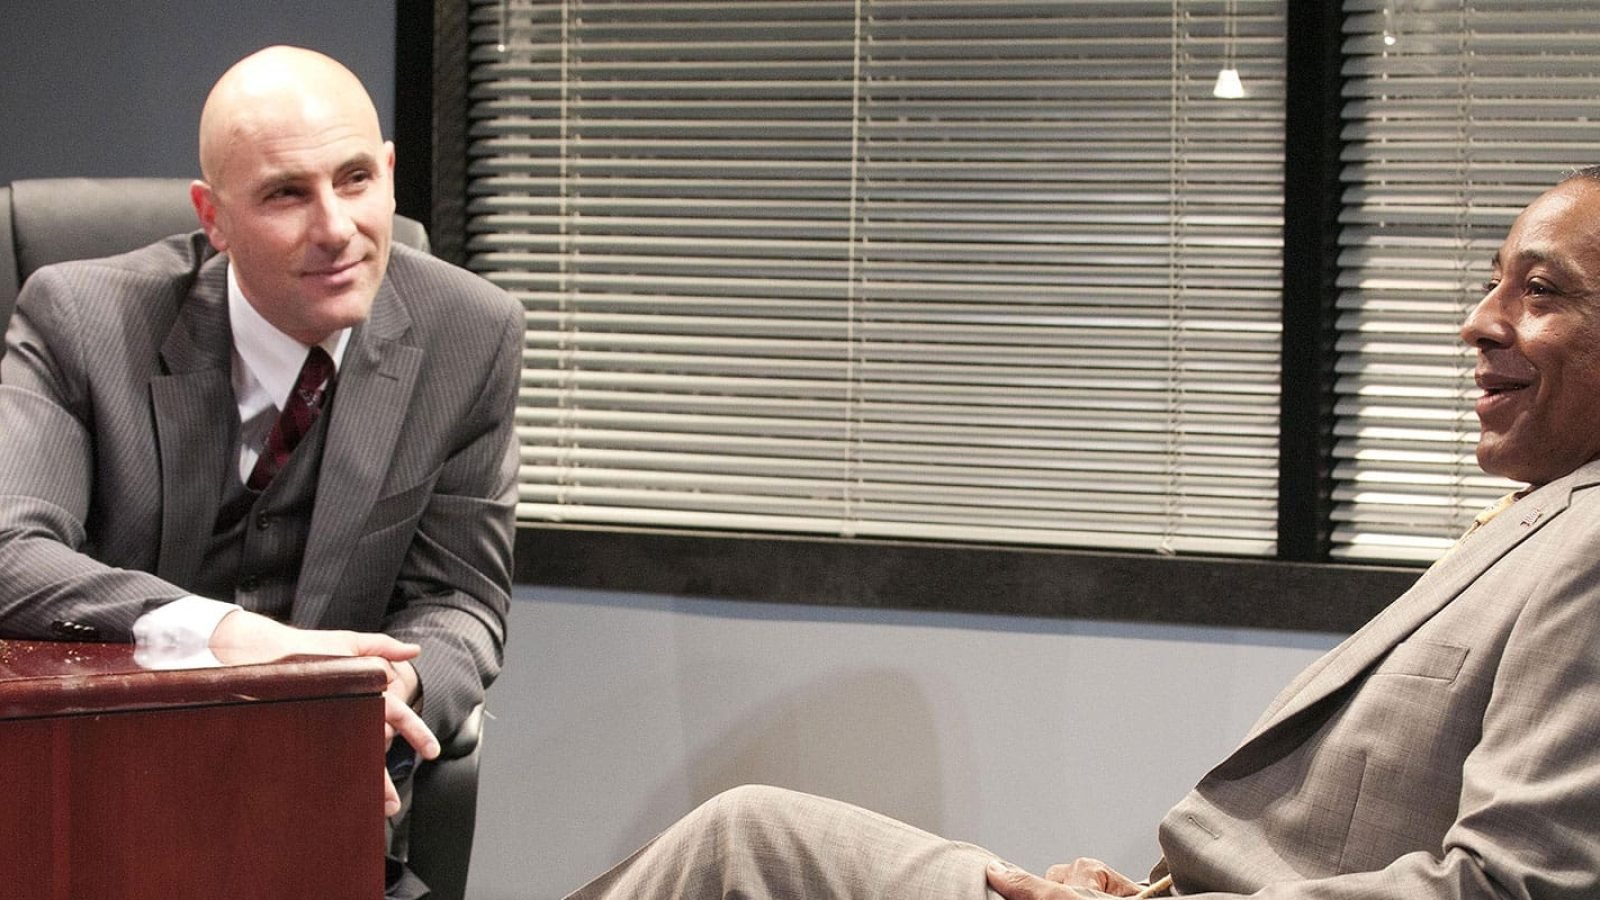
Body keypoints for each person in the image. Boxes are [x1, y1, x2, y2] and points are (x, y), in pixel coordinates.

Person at [561, 168, 1600, 900]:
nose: (1479, 317)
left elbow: (1515, 886)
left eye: (1539, 290)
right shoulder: (1541, 511)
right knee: (748, 838)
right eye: (1493, 277)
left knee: (749, 849)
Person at [0, 46, 520, 899]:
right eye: (286, 193)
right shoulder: (82, 320)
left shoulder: (471, 332)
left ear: (390, 174)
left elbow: (462, 599)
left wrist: (380, 692)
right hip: (90, 808)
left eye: (355, 179)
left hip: (313, 809)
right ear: (215, 216)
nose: (335, 228)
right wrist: (223, 636)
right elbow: (10, 549)